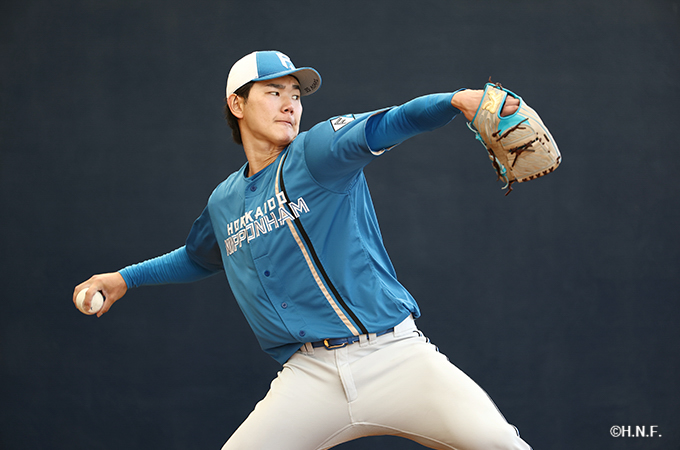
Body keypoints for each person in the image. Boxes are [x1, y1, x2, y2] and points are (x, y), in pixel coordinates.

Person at [74, 50, 530, 450]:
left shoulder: (319, 151)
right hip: (310, 377)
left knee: (499, 444)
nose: (290, 103)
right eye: (273, 92)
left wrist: (456, 100)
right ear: (237, 104)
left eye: (295, 94)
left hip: (395, 358)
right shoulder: (225, 200)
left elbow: (391, 122)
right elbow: (199, 257)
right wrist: (124, 278)